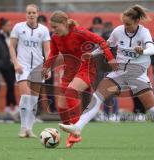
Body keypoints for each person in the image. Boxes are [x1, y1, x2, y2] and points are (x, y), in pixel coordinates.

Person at [58, 4, 154, 149]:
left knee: (153, 110)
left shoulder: (144, 32)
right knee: (97, 97)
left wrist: (143, 51)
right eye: (124, 23)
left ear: (137, 22)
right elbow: (106, 45)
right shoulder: (118, 31)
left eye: (128, 24)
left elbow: (152, 49)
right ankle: (77, 127)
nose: (125, 26)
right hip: (119, 72)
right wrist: (93, 54)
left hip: (138, 73)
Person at [42, 11, 115, 148]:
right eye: (52, 27)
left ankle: (76, 132)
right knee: (61, 107)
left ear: (64, 24)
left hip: (86, 68)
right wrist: (46, 68)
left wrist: (110, 59)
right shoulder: (55, 37)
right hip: (69, 71)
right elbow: (53, 53)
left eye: (55, 27)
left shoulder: (79, 32)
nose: (54, 30)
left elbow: (101, 41)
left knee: (70, 92)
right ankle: (72, 134)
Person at [9, 4, 51, 137]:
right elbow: (11, 47)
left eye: (33, 12)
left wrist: (47, 67)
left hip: (38, 67)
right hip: (23, 66)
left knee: (33, 99)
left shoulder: (44, 30)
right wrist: (15, 63)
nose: (31, 15)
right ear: (26, 14)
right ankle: (22, 127)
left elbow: (47, 50)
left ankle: (29, 129)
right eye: (28, 13)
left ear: (38, 14)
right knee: (25, 96)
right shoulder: (18, 27)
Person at [0, 18, 19, 121]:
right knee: (10, 84)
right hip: (4, 65)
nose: (10, 27)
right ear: (2, 26)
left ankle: (8, 106)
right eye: (8, 25)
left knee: (11, 85)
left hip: (13, 63)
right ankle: (13, 106)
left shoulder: (11, 35)